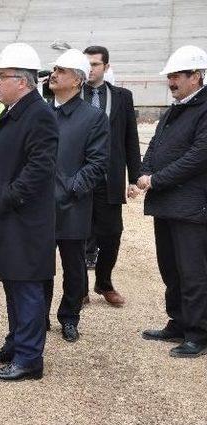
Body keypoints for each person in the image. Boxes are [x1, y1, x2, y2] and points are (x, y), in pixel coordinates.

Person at [0, 43, 58, 381]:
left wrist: (8, 197)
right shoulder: (14, 111)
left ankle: (28, 359)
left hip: (24, 219)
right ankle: (16, 342)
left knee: (26, 287)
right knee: (13, 282)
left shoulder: (39, 114)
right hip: (11, 218)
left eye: (0, 76)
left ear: (22, 81)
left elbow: (40, 167)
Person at [139, 45, 207, 358]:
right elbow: (155, 146)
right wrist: (144, 169)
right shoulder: (174, 109)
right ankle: (178, 321)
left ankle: (198, 333)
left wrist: (156, 179)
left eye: (178, 75)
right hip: (167, 204)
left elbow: (199, 156)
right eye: (170, 76)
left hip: (192, 207)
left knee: (193, 271)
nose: (172, 81)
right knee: (170, 268)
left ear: (197, 76)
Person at [43, 49, 109, 342]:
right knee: (39, 264)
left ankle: (69, 317)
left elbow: (97, 163)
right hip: (39, 206)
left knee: (74, 266)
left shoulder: (93, 118)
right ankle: (37, 317)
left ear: (78, 81)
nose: (53, 74)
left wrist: (70, 188)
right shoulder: (41, 112)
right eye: (54, 68)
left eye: (62, 70)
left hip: (73, 205)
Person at [81, 45, 142, 306]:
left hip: (109, 179)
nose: (90, 68)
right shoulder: (71, 94)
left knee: (112, 233)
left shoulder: (122, 97)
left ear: (106, 67)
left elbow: (131, 137)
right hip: (79, 179)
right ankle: (78, 287)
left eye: (95, 64)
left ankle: (104, 283)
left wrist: (134, 177)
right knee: (77, 234)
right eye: (87, 64)